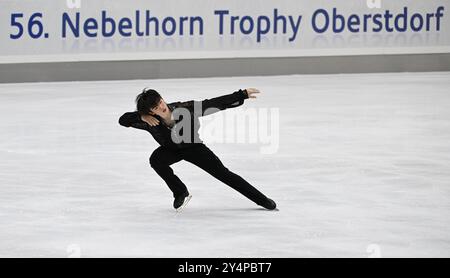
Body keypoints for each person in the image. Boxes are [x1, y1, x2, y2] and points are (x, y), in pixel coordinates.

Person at [118, 87, 277, 211]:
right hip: (170, 149)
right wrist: (141, 116)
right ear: (150, 111)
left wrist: (241, 94)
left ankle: (263, 200)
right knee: (156, 160)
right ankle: (180, 192)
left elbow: (213, 104)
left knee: (224, 174)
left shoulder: (184, 109)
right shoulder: (149, 120)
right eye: (155, 107)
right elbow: (123, 120)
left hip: (194, 148)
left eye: (160, 101)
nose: (161, 107)